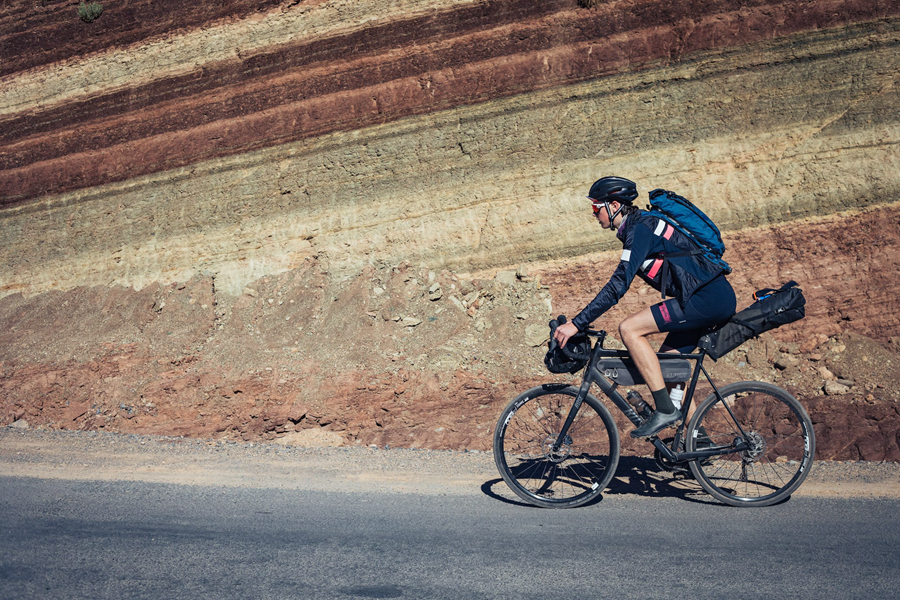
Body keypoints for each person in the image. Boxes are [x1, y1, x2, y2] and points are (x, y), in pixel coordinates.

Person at [553, 176, 736, 438]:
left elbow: (618, 285)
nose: (594, 215)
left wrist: (576, 323)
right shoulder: (638, 227)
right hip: (705, 297)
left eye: (596, 208)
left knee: (629, 329)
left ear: (614, 205)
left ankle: (665, 410)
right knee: (666, 368)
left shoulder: (640, 229)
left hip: (706, 298)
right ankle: (699, 440)